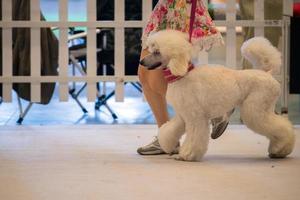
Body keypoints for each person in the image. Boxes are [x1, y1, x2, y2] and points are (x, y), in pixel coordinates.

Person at [137, 0, 231, 155]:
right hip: (166, 6)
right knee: (145, 74)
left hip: (178, 5)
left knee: (154, 76)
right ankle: (166, 138)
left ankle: (215, 108)